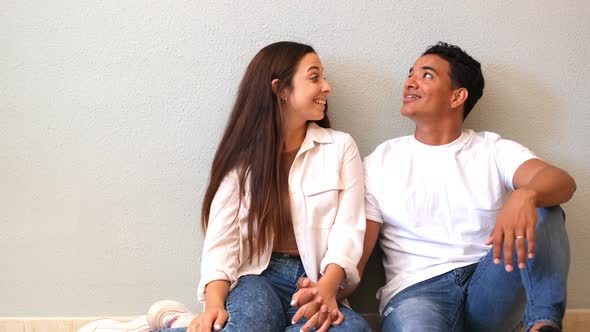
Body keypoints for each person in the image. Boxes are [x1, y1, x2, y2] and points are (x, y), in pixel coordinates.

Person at [149, 41, 371, 332]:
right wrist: (214, 305)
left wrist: (326, 288)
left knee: (354, 330)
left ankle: (176, 325)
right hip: (259, 277)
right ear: (281, 90)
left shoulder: (340, 147)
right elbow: (222, 241)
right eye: (315, 77)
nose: (327, 87)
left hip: (315, 280)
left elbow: (348, 229)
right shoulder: (242, 160)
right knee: (251, 323)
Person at [356, 42, 576, 332]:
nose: (409, 82)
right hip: (417, 294)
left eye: (427, 75)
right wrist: (328, 291)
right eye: (410, 74)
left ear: (457, 96)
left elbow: (563, 183)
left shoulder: (492, 149)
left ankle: (543, 325)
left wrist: (527, 194)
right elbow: (357, 251)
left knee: (545, 211)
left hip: (489, 287)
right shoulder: (380, 161)